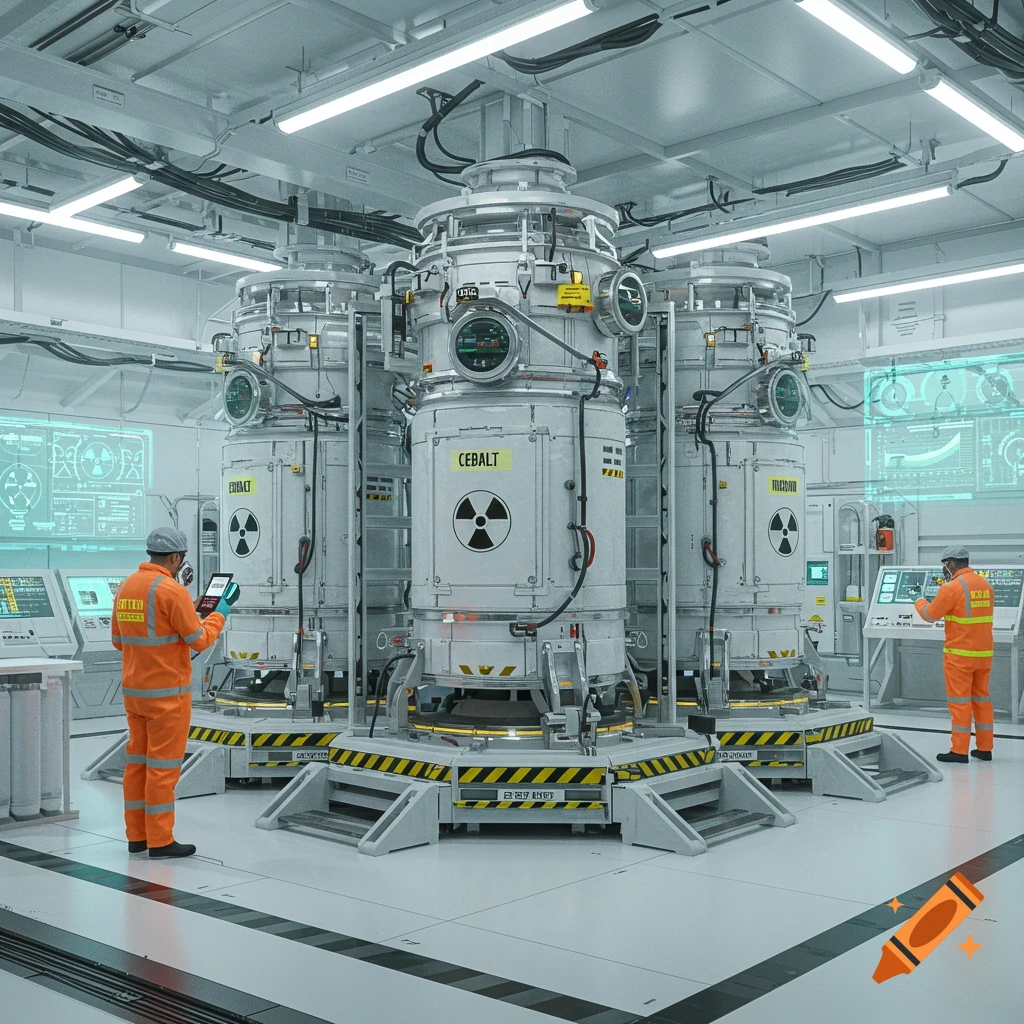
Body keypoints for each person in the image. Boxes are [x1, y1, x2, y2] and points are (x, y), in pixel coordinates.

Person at [112, 527, 235, 858]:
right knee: (162, 770)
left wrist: (188, 609)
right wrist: (220, 613)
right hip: (167, 698)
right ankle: (161, 840)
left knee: (136, 764)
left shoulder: (126, 586)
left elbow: (119, 640)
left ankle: (137, 836)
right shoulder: (171, 590)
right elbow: (199, 639)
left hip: (134, 693)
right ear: (177, 558)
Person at [913, 545, 994, 764]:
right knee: (982, 699)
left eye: (944, 566)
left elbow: (930, 615)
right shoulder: (984, 585)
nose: (943, 571)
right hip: (984, 653)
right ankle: (985, 748)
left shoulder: (952, 588)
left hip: (960, 655)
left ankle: (959, 751)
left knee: (960, 703)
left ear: (950, 563)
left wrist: (918, 601)